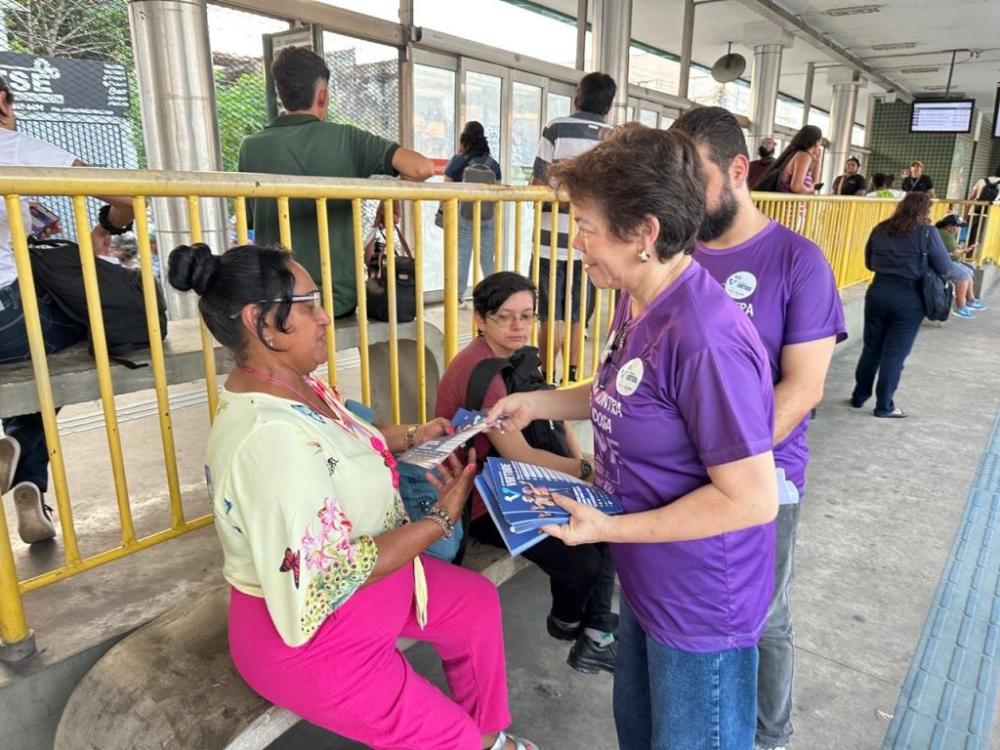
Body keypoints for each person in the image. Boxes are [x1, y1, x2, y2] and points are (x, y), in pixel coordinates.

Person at [167, 242, 536, 750]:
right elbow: (331, 574)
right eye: (308, 304)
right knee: (451, 739)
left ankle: (489, 735)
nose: (324, 318)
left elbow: (337, 442)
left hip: (370, 586)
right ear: (261, 322)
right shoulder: (266, 438)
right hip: (313, 636)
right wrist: (439, 520)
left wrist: (412, 436)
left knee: (472, 604)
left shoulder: (299, 385)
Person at [490, 125, 779, 749]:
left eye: (588, 226)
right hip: (650, 579)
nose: (578, 243)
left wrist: (606, 528)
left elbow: (751, 499)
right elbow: (619, 389)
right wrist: (534, 401)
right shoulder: (637, 298)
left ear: (644, 233)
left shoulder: (705, 338)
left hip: (701, 602)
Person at [673, 105, 847, 750]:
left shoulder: (797, 262)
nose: (681, 197)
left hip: (764, 478)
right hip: (676, 479)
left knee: (763, 616)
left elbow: (802, 388)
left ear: (739, 170)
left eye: (694, 180)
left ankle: (771, 735)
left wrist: (719, 463)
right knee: (691, 620)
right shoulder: (676, 256)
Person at [436, 271, 618, 675]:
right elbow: (519, 455)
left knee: (606, 525)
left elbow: (553, 413)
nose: (518, 326)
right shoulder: (481, 374)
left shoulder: (516, 358)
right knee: (583, 562)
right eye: (505, 317)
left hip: (519, 480)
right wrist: (585, 469)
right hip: (484, 500)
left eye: (527, 315)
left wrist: (581, 466)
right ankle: (569, 623)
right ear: (481, 319)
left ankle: (597, 634)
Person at [0, 74, 134, 545]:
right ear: (1, 101)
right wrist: (112, 224)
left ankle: (23, 470)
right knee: (70, 332)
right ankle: (25, 467)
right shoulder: (12, 147)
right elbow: (122, 196)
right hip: (6, 318)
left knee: (34, 359)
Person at [238, 46, 433, 318]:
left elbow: (249, 220)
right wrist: (391, 195)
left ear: (280, 94)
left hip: (276, 300)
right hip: (336, 299)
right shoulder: (347, 139)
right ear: (323, 95)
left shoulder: (250, 148)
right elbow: (422, 167)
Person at [532, 72, 616, 382]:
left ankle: (545, 378)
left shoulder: (556, 128)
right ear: (608, 106)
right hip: (592, 242)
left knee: (550, 313)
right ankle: (571, 377)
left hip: (549, 239)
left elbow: (538, 184)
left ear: (576, 99)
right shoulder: (614, 138)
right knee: (577, 315)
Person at [851, 193, 951, 418]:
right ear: (924, 211)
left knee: (871, 348)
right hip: (909, 299)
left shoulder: (880, 228)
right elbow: (945, 268)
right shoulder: (928, 233)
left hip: (877, 293)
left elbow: (869, 263)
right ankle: (884, 406)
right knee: (894, 355)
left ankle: (859, 396)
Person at [444, 121, 502, 305]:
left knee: (463, 255)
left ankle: (458, 296)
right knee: (487, 258)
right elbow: (498, 191)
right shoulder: (493, 164)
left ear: (464, 139)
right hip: (488, 215)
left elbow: (446, 188)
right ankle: (494, 296)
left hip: (464, 215)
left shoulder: (458, 161)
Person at [936, 214, 986, 318]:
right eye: (957, 226)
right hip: (945, 263)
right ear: (950, 226)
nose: (959, 228)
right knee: (963, 277)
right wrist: (965, 250)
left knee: (969, 272)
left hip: (949, 261)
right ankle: (961, 306)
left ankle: (970, 300)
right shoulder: (946, 234)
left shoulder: (946, 232)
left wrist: (962, 249)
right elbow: (954, 254)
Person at [753, 125, 822, 195]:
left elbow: (815, 183)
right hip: (790, 205)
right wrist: (811, 189)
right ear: (817, 142)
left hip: (789, 204)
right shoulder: (804, 156)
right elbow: (796, 187)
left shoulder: (796, 155)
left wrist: (817, 161)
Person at [966, 165, 1000, 246]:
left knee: (971, 238)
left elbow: (971, 198)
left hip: (974, 212)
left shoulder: (982, 180)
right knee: (984, 240)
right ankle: (974, 257)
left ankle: (968, 255)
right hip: (989, 215)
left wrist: (966, 214)